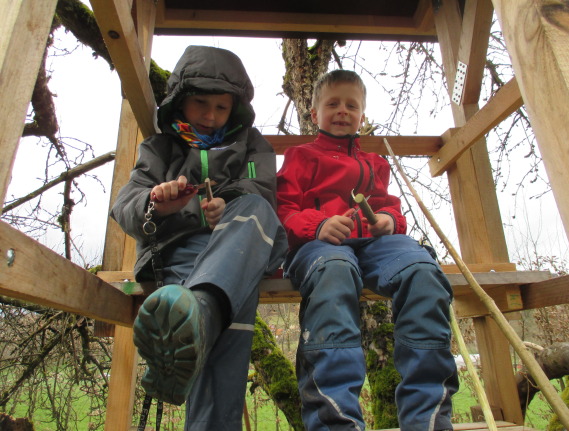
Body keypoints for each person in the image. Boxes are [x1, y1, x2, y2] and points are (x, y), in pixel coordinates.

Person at [110, 45, 287, 430]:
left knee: (257, 211)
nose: (210, 115)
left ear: (235, 109)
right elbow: (125, 206)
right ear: (179, 102)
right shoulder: (160, 149)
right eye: (201, 103)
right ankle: (203, 315)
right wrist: (161, 206)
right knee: (228, 334)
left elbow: (264, 194)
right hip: (178, 258)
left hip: (241, 247)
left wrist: (227, 204)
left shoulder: (253, 145)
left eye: (221, 107)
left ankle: (201, 314)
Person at [276, 69, 459, 431]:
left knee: (423, 272)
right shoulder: (300, 157)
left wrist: (389, 221)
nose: (342, 110)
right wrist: (318, 226)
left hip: (377, 246)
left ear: (362, 115)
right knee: (335, 270)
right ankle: (335, 421)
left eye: (351, 105)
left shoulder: (375, 164)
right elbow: (283, 211)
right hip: (319, 249)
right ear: (315, 114)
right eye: (333, 104)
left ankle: (428, 419)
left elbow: (391, 206)